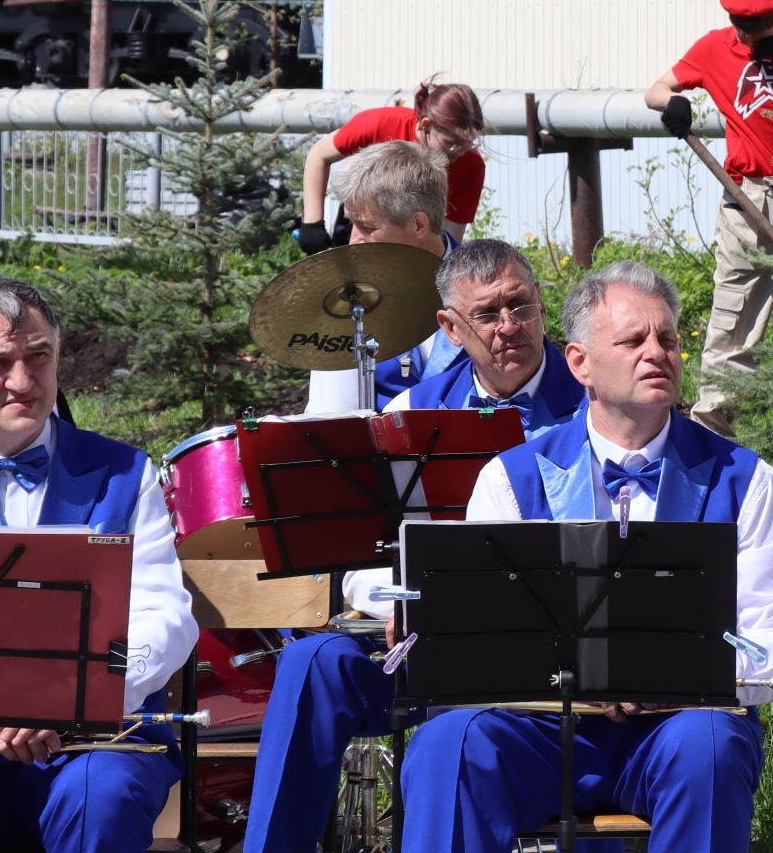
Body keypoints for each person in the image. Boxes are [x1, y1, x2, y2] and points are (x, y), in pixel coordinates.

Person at [397, 260, 773, 852]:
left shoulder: (746, 480)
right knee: (448, 744)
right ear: (580, 362)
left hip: (676, 730)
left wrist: (683, 676)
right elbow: (478, 641)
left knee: (712, 746)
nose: (657, 352)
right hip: (540, 731)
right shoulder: (511, 479)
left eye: (667, 338)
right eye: (633, 340)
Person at [242, 239, 584, 853]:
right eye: (487, 315)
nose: (510, 327)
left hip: (550, 652)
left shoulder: (594, 403)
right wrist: (406, 598)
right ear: (450, 328)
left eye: (521, 306)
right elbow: (359, 563)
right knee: (311, 662)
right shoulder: (409, 410)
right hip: (430, 649)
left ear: (540, 304)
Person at [0, 275, 197, 853]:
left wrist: (65, 701)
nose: (23, 382)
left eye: (38, 357)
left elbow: (164, 614)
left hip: (96, 741)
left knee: (103, 797)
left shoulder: (126, 472)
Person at [643, 0, 773, 435]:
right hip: (745, 202)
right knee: (732, 320)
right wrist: (671, 103)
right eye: (760, 33)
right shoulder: (714, 49)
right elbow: (656, 88)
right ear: (738, 28)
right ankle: (710, 433)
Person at [304, 141, 468, 413]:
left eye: (367, 227)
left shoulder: (493, 286)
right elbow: (332, 417)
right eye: (351, 223)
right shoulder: (347, 298)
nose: (353, 241)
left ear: (418, 224)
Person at [295, 79, 486, 252]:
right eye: (451, 143)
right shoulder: (380, 124)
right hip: (361, 227)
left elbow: (449, 238)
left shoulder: (472, 165)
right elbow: (319, 155)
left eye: (467, 144)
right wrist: (312, 225)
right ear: (426, 125)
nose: (459, 152)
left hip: (413, 243)